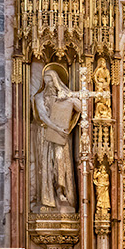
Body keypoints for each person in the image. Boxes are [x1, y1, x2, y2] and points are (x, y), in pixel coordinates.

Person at [34, 67, 86, 209]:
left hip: (61, 136)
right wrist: (57, 128)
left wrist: (68, 97)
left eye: (51, 80)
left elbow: (81, 108)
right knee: (48, 164)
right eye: (46, 79)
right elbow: (43, 116)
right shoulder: (39, 97)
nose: (48, 82)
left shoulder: (61, 95)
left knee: (60, 161)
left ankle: (61, 192)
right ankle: (49, 197)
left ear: (56, 81)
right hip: (47, 135)